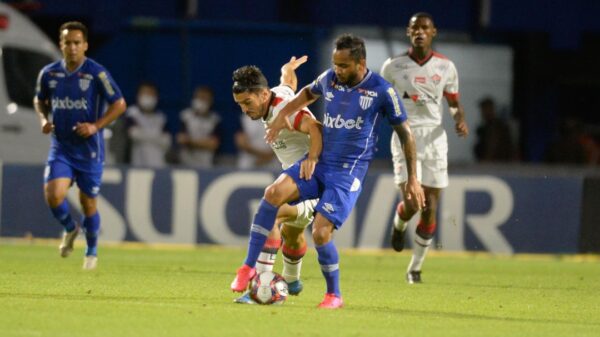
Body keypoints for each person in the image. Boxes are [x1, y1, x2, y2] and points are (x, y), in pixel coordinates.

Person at [234, 34, 424, 309]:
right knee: (273, 194)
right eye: (335, 64)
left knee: (320, 233)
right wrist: (283, 113)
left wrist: (413, 180)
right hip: (321, 164)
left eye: (344, 65)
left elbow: (406, 134)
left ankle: (333, 295)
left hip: (347, 172)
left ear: (361, 63)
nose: (338, 70)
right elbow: (304, 93)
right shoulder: (329, 79)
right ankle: (249, 270)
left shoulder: (382, 91)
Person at [380, 12, 469, 284]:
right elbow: (380, 100)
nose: (419, 32)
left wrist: (459, 118)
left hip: (435, 139)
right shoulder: (392, 67)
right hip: (405, 135)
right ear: (408, 32)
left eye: (425, 28)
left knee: (429, 206)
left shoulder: (446, 67)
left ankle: (415, 268)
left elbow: (453, 102)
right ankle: (399, 223)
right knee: (411, 202)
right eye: (415, 28)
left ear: (434, 32)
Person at [33, 21, 126, 270]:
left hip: (89, 150)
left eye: (77, 43)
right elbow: (39, 99)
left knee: (88, 203)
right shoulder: (49, 73)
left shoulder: (96, 73)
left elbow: (119, 104)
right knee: (53, 195)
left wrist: (96, 126)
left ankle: (92, 251)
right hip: (61, 146)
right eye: (67, 42)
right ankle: (69, 228)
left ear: (85, 45)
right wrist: (43, 119)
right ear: (60, 44)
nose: (72, 47)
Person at [230, 56, 322, 304]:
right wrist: (288, 68)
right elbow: (288, 83)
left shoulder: (284, 111)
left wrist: (312, 157)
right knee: (292, 234)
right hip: (297, 182)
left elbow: (314, 126)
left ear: (262, 94)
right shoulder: (275, 95)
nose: (244, 109)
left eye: (247, 102)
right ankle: (292, 280)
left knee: (271, 214)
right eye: (239, 104)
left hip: (314, 181)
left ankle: (258, 287)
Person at [127, 82, 171, 168]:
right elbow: (133, 134)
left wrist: (143, 134)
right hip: (136, 165)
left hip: (158, 165)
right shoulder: (132, 113)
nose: (148, 96)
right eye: (145, 93)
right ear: (138, 95)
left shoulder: (161, 118)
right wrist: (157, 136)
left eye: (151, 94)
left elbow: (167, 141)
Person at [177, 86, 222, 168]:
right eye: (199, 97)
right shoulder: (185, 116)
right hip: (185, 163)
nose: (201, 101)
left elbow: (213, 144)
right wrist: (204, 143)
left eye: (205, 98)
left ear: (211, 101)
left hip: (207, 164)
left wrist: (190, 142)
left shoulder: (215, 119)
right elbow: (181, 139)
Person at [473, 97, 514, 162]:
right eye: (483, 109)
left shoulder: (499, 127)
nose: (484, 112)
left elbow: (494, 146)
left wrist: (487, 160)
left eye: (487, 109)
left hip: (498, 165)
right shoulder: (483, 128)